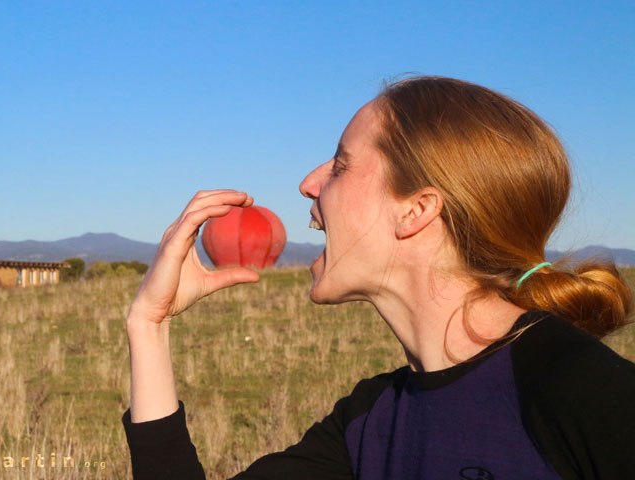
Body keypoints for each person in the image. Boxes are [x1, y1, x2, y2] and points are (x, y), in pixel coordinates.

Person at [121, 76, 634, 480]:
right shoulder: (370, 420)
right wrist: (149, 324)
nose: (308, 184)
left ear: (416, 210)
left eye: (340, 166)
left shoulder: (583, 391)